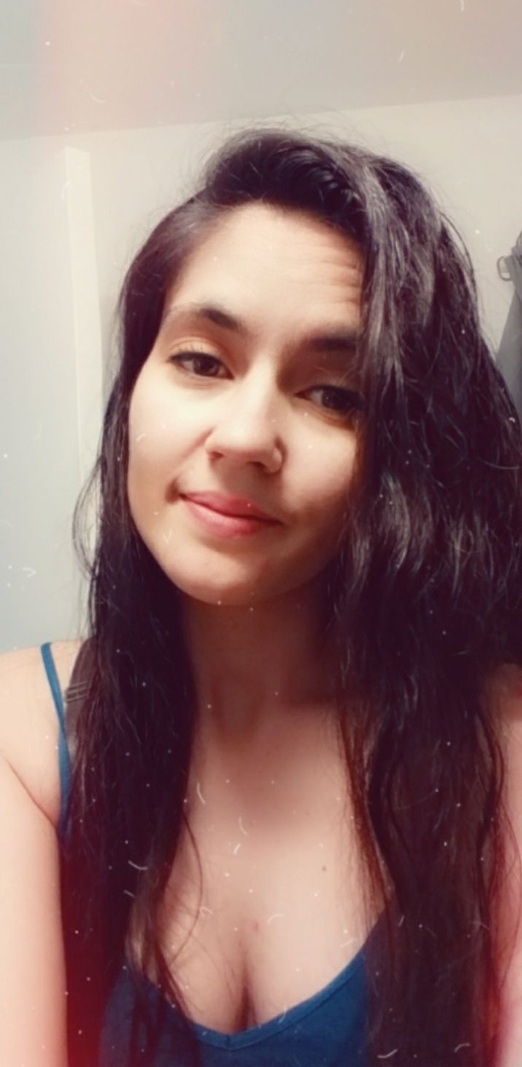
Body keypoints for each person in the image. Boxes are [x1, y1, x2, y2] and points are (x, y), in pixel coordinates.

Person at [1, 128, 522, 1067]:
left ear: (401, 458)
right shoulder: (23, 742)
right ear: (134, 390)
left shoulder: (501, 752)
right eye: (201, 361)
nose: (246, 436)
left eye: (334, 394)